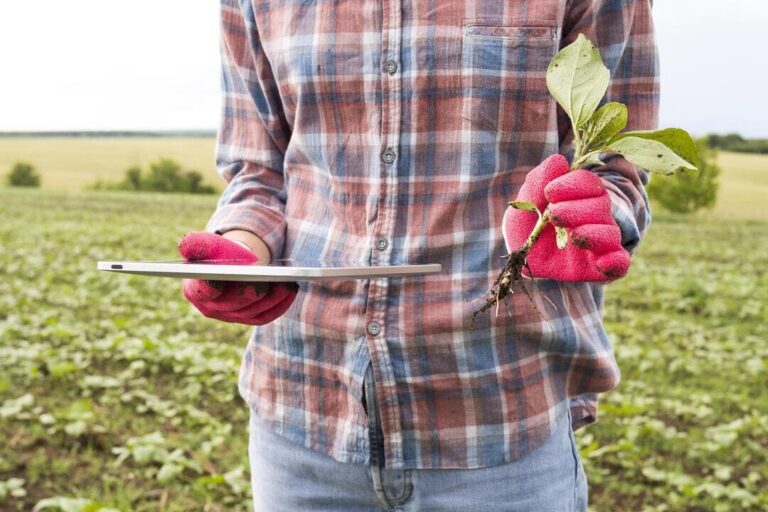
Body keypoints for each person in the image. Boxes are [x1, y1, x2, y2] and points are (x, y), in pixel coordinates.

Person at [180, 0, 657, 510]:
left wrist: (587, 221)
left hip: (502, 421)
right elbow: (258, 172)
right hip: (302, 420)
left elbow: (616, 164)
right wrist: (240, 250)